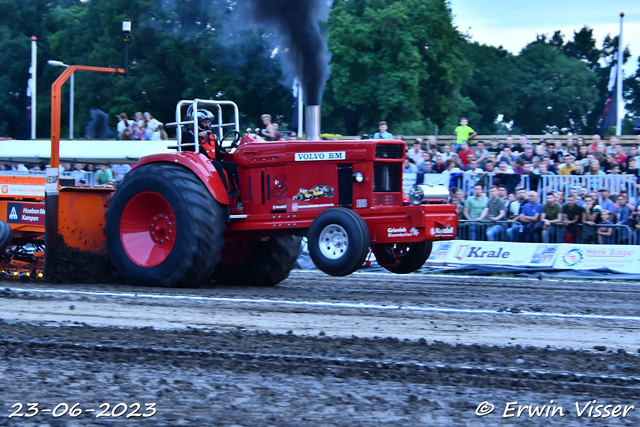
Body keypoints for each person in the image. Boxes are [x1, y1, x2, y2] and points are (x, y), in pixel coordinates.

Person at [182, 109, 239, 198]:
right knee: (217, 166)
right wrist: (198, 136)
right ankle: (225, 193)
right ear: (197, 122)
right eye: (204, 122)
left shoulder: (211, 136)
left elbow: (218, 154)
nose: (207, 125)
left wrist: (223, 151)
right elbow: (186, 146)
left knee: (234, 166)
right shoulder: (189, 135)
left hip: (212, 162)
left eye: (208, 122)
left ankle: (239, 191)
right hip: (201, 165)